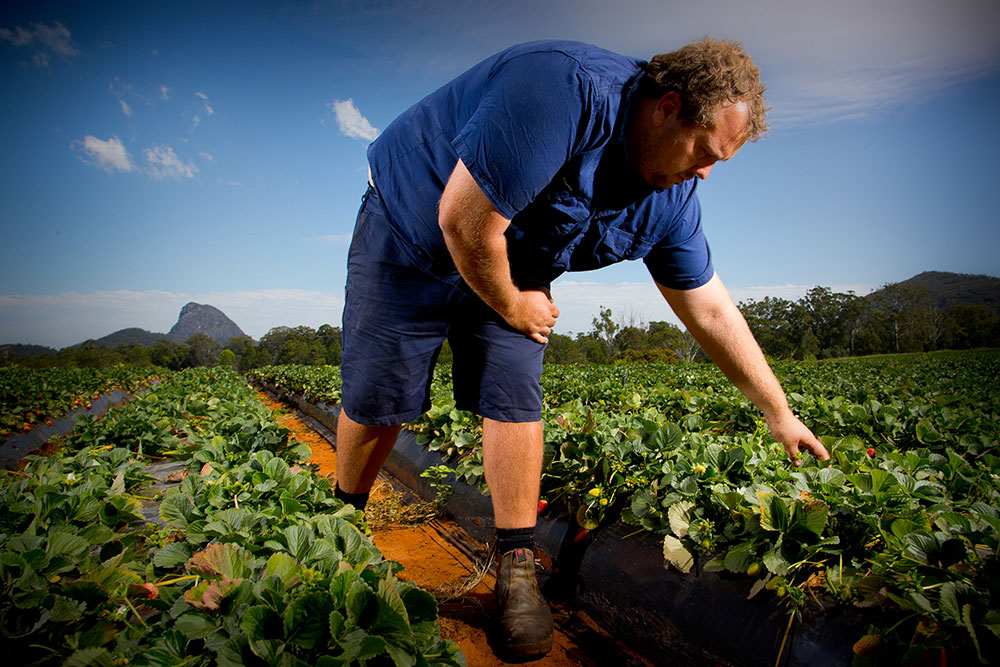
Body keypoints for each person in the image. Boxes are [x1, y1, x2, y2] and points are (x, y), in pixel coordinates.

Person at [334, 37, 831, 658]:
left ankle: (516, 568)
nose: (705, 172)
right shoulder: (560, 91)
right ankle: (342, 523)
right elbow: (462, 221)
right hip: (412, 232)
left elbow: (707, 305)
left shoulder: (671, 197)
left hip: (514, 259)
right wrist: (514, 302)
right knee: (383, 393)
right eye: (705, 151)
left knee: (514, 392)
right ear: (666, 107)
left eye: (719, 163)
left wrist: (778, 411)